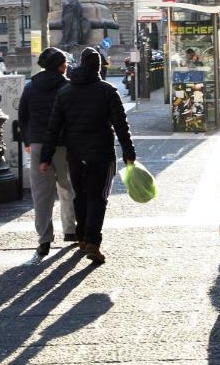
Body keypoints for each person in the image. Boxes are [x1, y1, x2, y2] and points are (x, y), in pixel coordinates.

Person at [40, 47, 136, 265]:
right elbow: (121, 125)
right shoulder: (107, 91)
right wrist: (129, 153)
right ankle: (93, 241)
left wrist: (45, 157)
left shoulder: (66, 92)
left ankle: (82, 237)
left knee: (80, 196)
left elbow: (53, 127)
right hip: (101, 152)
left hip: (75, 153)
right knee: (98, 198)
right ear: (99, 67)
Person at [18, 47, 77, 257]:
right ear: (60, 66)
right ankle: (70, 230)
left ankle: (44, 240)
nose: (67, 66)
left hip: (37, 144)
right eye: (65, 63)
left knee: (41, 195)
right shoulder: (67, 87)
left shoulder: (31, 86)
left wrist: (28, 140)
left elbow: (22, 116)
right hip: (62, 144)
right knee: (67, 187)